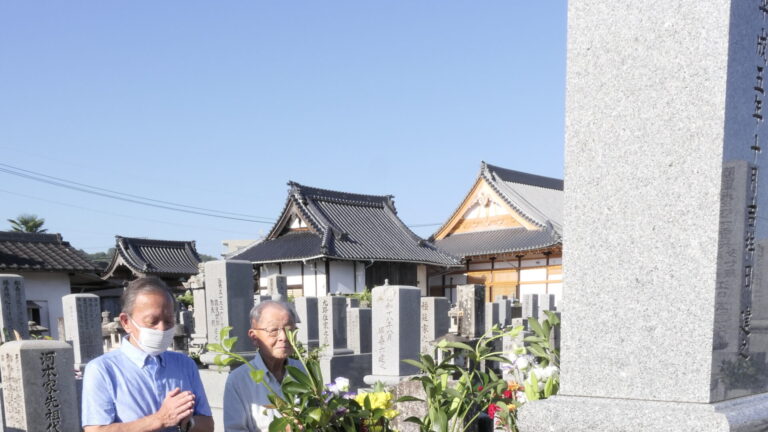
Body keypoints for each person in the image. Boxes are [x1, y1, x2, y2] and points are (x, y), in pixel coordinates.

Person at [82, 276, 214, 432]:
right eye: (152, 321)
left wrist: (187, 422)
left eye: (169, 320)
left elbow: (208, 424)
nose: (162, 328)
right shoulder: (102, 369)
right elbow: (95, 430)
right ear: (126, 322)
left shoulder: (184, 364)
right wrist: (159, 419)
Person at [223, 300, 304, 431]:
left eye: (289, 330)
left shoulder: (304, 372)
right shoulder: (238, 381)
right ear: (254, 337)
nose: (283, 337)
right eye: (273, 330)